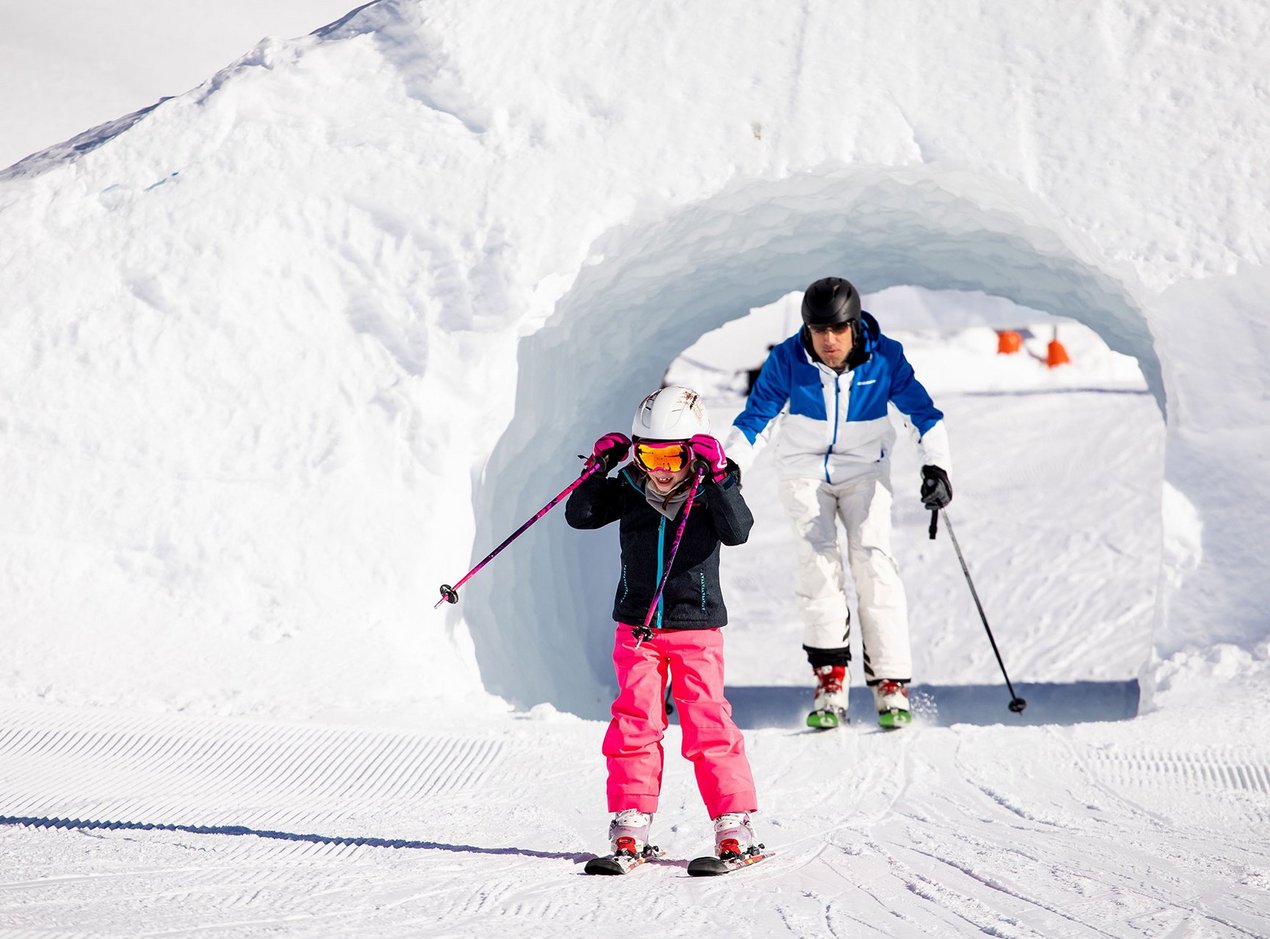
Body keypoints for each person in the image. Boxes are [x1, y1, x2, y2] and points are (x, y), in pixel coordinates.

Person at [723, 277, 953, 729]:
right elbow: (757, 419)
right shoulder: (788, 358)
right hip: (804, 470)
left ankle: (890, 683)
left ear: (855, 326)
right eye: (818, 330)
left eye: (837, 329)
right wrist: (729, 465)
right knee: (818, 563)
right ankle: (830, 679)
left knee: (873, 558)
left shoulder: (885, 357)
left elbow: (922, 415)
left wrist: (937, 467)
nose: (828, 340)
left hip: (865, 470)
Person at [566, 385, 762, 863]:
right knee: (634, 721)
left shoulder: (711, 489)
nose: (660, 469)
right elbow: (580, 515)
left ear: (694, 451)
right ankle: (630, 821)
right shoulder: (630, 488)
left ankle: (733, 823)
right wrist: (597, 468)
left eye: (672, 456)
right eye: (648, 455)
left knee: (707, 722)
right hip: (637, 627)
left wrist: (719, 478)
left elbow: (737, 530)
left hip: (695, 625)